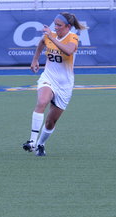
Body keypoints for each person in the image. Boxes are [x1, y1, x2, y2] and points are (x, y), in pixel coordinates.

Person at [23, 13, 87, 157]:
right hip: (48, 77)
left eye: (59, 25)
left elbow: (68, 51)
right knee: (42, 101)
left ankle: (41, 144)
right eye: (55, 24)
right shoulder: (49, 36)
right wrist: (35, 60)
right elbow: (41, 43)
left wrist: (51, 37)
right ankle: (32, 141)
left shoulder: (72, 38)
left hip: (65, 84)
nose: (55, 27)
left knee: (50, 122)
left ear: (68, 26)